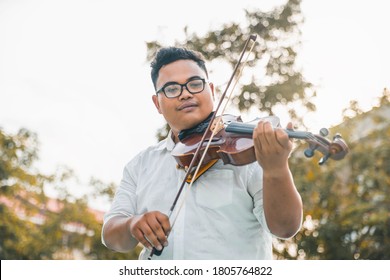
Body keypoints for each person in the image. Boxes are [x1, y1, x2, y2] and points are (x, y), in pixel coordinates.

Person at [101, 46, 303, 260]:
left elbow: (285, 228)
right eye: (171, 89)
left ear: (212, 91)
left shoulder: (249, 152)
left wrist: (276, 170)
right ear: (157, 103)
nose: (186, 93)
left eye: (195, 84)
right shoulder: (140, 165)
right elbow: (111, 236)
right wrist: (132, 224)